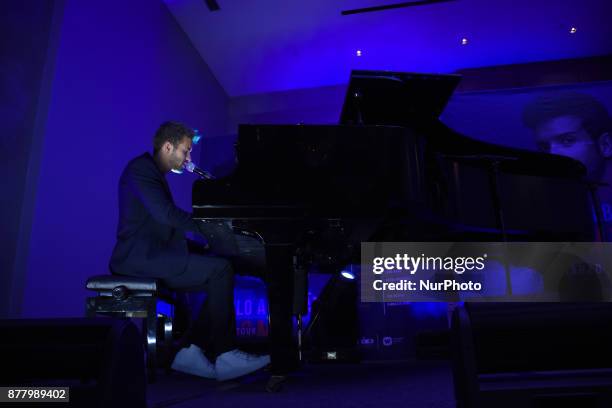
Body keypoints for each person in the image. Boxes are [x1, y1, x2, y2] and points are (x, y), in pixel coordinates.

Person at [109, 121, 270, 381]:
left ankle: (190, 350)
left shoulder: (152, 174)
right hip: (138, 259)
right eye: (185, 151)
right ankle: (225, 353)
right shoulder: (140, 170)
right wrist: (207, 228)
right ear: (168, 146)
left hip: (154, 255)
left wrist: (204, 244)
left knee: (221, 267)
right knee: (221, 270)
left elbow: (162, 229)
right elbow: (166, 215)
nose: (188, 158)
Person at [523, 92, 612, 239]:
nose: (552, 154)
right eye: (544, 147)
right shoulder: (543, 207)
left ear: (606, 144)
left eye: (567, 140)